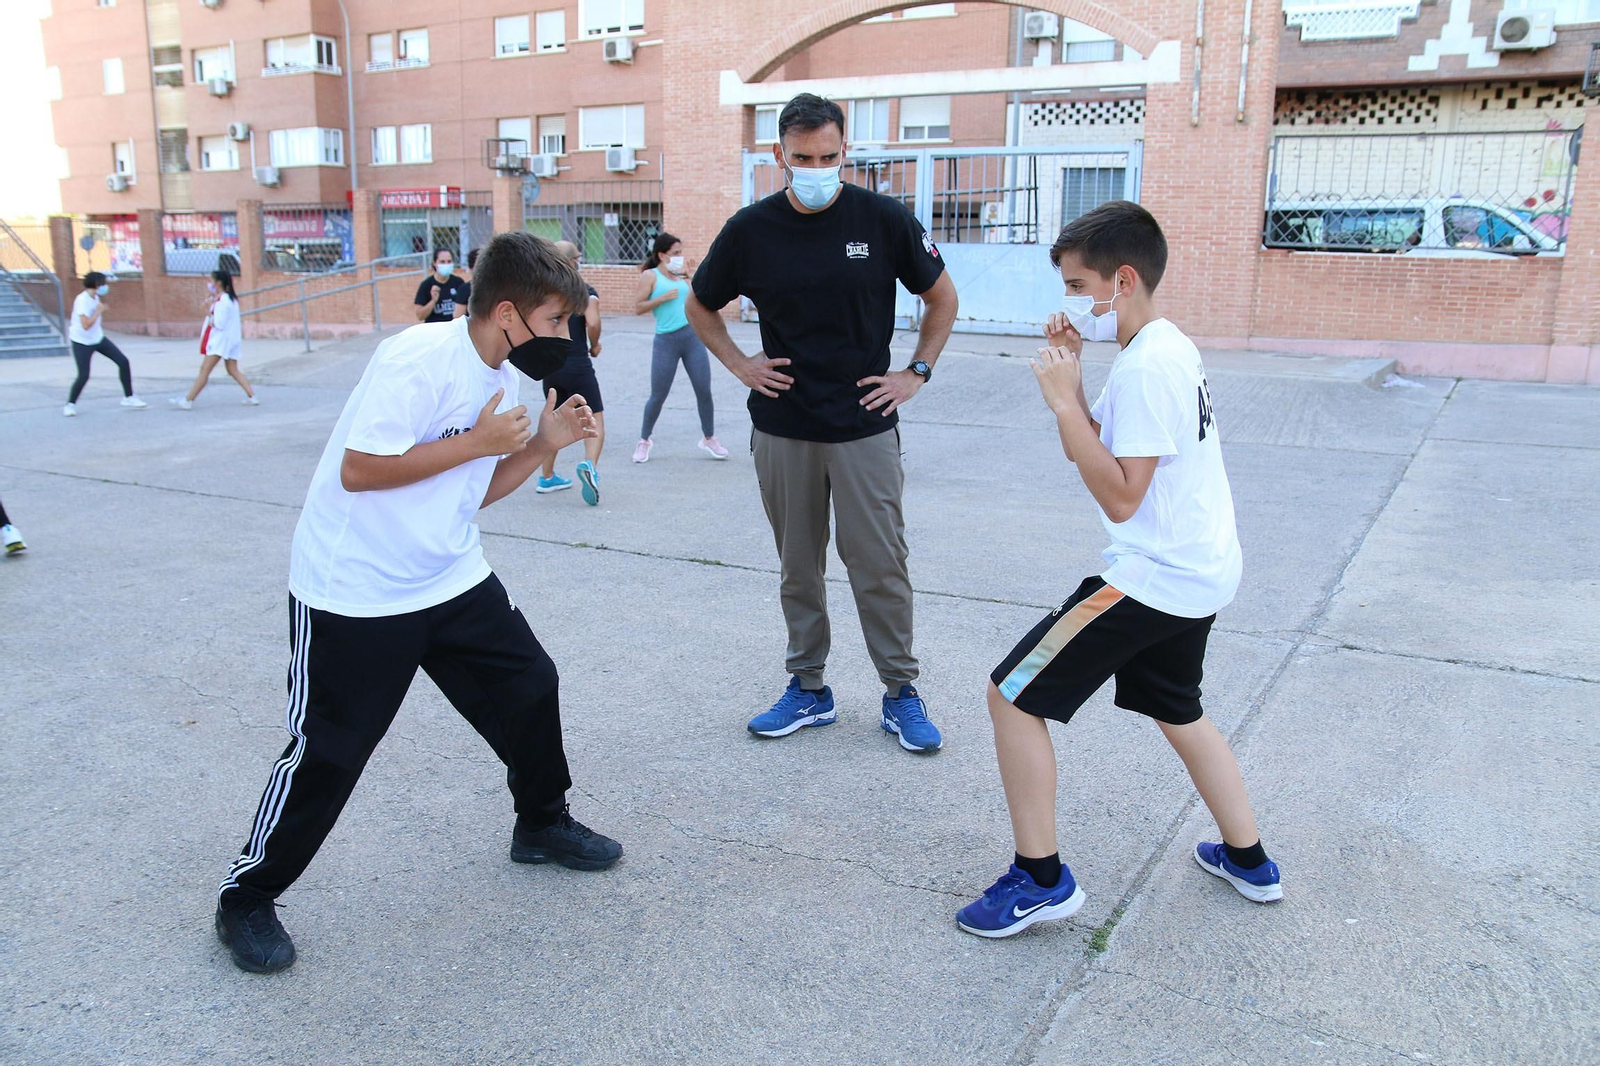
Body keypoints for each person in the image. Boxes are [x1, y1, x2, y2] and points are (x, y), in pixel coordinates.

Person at [214, 232, 622, 975]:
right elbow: (362, 471)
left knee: (532, 686)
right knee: (331, 751)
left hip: (447, 573)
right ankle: (246, 896)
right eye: (557, 321)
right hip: (356, 590)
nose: (567, 338)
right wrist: (478, 441)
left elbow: (470, 498)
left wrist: (540, 446)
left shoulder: (505, 381)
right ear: (507, 312)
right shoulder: (416, 360)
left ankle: (541, 824)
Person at [955, 201, 1279, 940]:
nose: (1071, 300)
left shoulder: (1149, 368)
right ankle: (1250, 860)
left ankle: (1041, 880)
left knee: (1011, 695)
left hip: (1155, 575)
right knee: (1179, 708)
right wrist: (1073, 388)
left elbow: (1121, 496)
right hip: (1198, 569)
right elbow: (1106, 451)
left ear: (1122, 279)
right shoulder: (1162, 347)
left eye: (1077, 285)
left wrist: (1063, 402)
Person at [685, 93, 958, 753]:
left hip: (864, 425)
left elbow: (942, 298)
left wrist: (914, 374)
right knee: (798, 567)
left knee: (881, 565)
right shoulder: (751, 229)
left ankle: (900, 692)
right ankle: (808, 689)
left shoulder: (885, 218)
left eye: (828, 157)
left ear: (845, 153)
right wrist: (740, 364)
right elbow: (700, 304)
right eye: (802, 157)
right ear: (779, 155)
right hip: (783, 427)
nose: (816, 168)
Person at [632, 233, 726, 464]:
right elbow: (638, 307)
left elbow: (701, 301)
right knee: (658, 394)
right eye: (675, 253)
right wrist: (661, 298)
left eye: (680, 252)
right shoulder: (650, 276)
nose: (679, 257)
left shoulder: (681, 275)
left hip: (692, 338)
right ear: (662, 255)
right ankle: (644, 440)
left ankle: (709, 438)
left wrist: (692, 278)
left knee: (703, 389)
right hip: (666, 341)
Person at [533, 241, 606, 505]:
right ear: (573, 262)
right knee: (594, 417)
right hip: (577, 363)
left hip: (550, 366)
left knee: (556, 419)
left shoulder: (543, 292)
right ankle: (590, 466)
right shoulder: (584, 291)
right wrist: (594, 344)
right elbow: (594, 321)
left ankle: (547, 477)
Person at [171, 269, 258, 409]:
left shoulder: (223, 302)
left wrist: (208, 311)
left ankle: (188, 400)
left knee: (205, 370)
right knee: (232, 369)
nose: (210, 284)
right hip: (230, 340)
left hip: (220, 342)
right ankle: (252, 396)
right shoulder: (229, 299)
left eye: (212, 281)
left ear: (218, 283)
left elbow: (219, 324)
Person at [64, 272, 146, 416]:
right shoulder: (82, 300)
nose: (106, 286)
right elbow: (85, 325)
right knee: (83, 375)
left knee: (123, 361)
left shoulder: (95, 297)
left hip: (98, 338)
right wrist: (98, 311)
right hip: (82, 341)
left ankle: (129, 397)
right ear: (97, 285)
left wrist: (99, 309)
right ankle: (70, 405)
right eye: (104, 284)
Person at [413, 248, 468, 323]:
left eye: (449, 261)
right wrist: (433, 301)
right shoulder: (426, 285)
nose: (446, 264)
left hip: (454, 328)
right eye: (442, 262)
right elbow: (420, 316)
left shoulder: (458, 282)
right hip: (435, 328)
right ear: (434, 263)